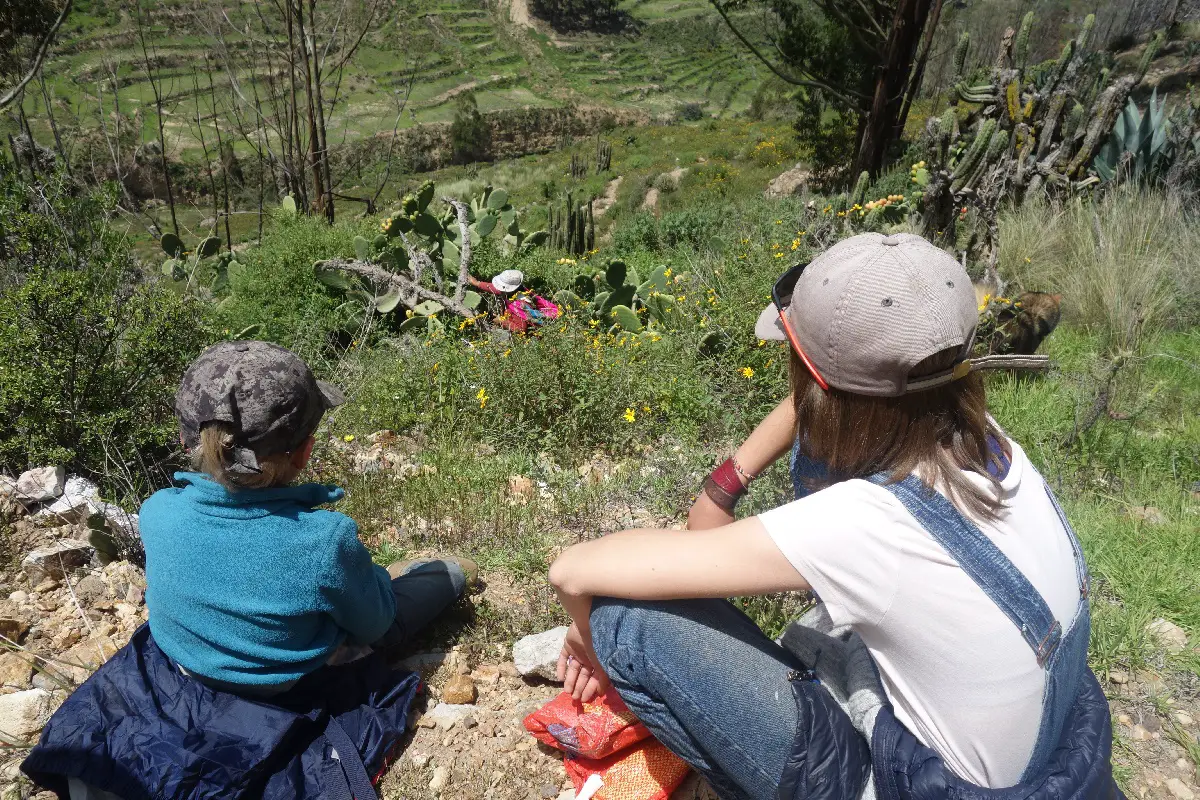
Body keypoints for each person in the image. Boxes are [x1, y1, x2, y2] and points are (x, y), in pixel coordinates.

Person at [548, 233, 1121, 800]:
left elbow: (573, 571)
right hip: (1062, 761)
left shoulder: (864, 526)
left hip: (918, 789)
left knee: (625, 619)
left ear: (818, 382)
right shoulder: (988, 444)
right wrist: (725, 486)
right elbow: (842, 393)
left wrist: (585, 638)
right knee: (820, 453)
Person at [23, 341, 475, 799]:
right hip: (287, 686)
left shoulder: (157, 511)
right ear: (304, 451)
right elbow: (375, 623)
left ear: (188, 441)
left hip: (186, 670)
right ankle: (454, 570)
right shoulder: (322, 538)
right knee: (443, 576)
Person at [469, 269, 560, 333]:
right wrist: (477, 283)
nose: (499, 289)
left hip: (533, 334)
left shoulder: (518, 305)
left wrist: (501, 321)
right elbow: (496, 289)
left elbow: (521, 329)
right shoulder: (521, 289)